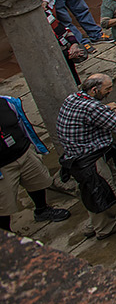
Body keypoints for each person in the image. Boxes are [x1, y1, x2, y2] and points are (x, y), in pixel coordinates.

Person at [55, 73, 116, 240]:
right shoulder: (92, 108)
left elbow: (88, 115)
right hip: (89, 159)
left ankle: (95, 223)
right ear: (94, 90)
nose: (110, 91)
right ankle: (105, 227)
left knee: (94, 190)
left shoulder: (74, 98)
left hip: (76, 156)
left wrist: (104, 109)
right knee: (103, 190)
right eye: (107, 88)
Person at [0, 93, 72, 232]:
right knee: (4, 205)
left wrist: (33, 147)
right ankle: (6, 236)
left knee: (37, 182)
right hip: (2, 167)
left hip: (24, 152)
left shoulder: (7, 103)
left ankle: (42, 210)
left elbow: (23, 125)